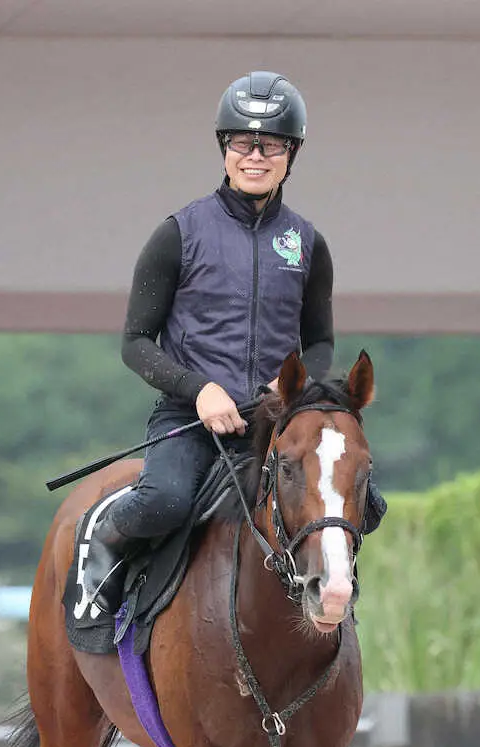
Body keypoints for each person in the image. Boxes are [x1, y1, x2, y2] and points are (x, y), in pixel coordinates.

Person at [83, 70, 386, 615]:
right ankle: (108, 540)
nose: (256, 155)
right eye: (243, 143)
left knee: (370, 504)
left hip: (276, 421)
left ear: (291, 153)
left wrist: (290, 386)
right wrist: (200, 391)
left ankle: (321, 590)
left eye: (271, 145)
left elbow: (319, 343)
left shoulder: (309, 243)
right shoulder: (178, 232)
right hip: (194, 418)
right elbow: (135, 342)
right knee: (166, 501)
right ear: (224, 148)